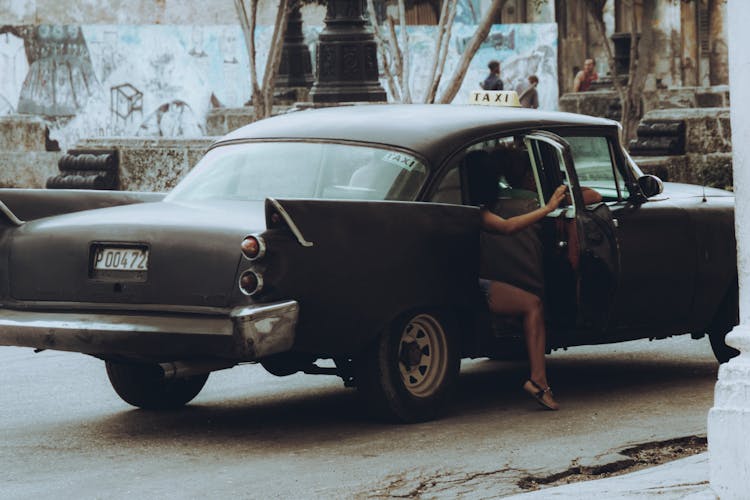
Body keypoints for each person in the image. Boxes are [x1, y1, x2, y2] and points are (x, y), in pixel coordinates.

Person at [467, 150, 566, 410]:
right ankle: (539, 381)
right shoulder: (476, 212)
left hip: (463, 281)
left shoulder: (453, 205)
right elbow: (508, 227)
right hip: (474, 287)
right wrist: (548, 208)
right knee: (533, 305)